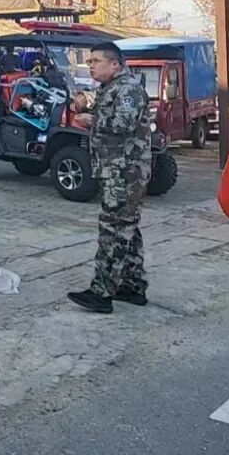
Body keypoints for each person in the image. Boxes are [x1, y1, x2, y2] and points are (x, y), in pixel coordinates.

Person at [68, 42, 152, 314]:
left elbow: (123, 124)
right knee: (127, 228)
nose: (91, 66)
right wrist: (85, 107)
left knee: (112, 229)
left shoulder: (128, 88)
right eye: (89, 62)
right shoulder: (111, 88)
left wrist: (91, 121)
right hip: (116, 169)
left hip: (125, 172)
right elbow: (107, 116)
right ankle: (132, 286)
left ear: (115, 64)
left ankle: (101, 292)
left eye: (96, 61)